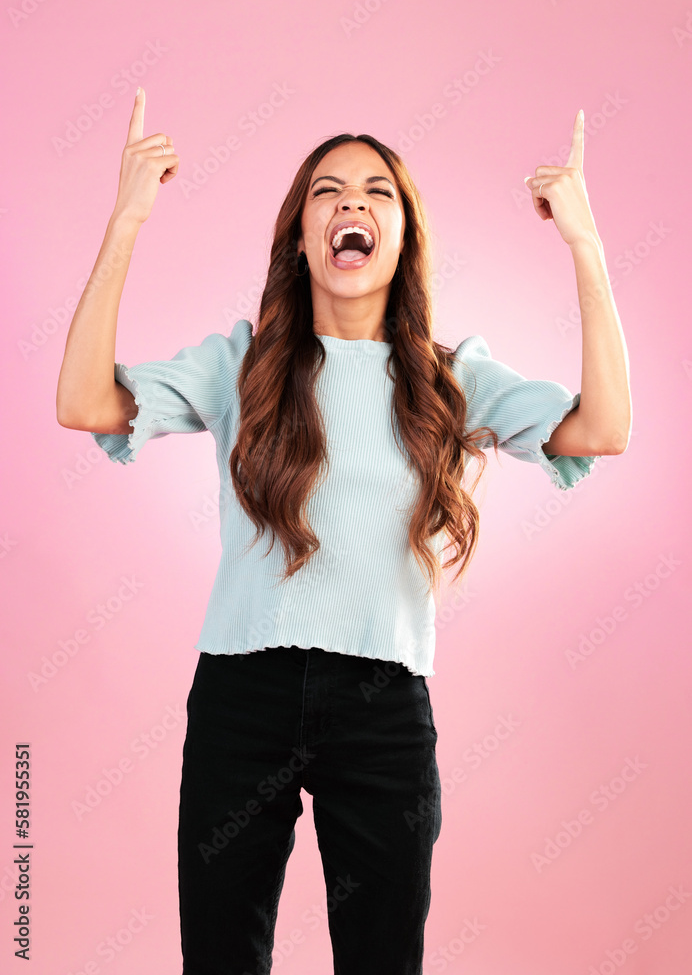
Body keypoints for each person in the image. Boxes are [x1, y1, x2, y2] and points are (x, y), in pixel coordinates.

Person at [56, 89, 631, 975]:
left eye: (378, 193)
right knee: (219, 954)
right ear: (301, 235)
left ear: (401, 240)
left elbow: (603, 429)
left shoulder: (449, 379)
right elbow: (83, 402)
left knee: (382, 960)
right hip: (240, 696)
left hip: (383, 709)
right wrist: (128, 217)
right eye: (327, 191)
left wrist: (586, 246)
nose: (352, 204)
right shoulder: (239, 366)